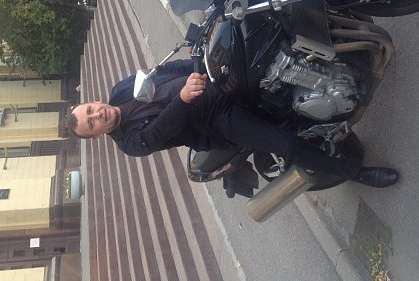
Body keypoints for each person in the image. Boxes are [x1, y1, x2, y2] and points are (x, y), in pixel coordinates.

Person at [69, 59, 398, 187]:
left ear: (92, 101)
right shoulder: (129, 143)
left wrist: (200, 59)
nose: (98, 114)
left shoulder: (119, 90)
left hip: (213, 80)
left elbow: (162, 71)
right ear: (96, 136)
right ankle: (353, 172)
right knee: (286, 145)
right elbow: (161, 130)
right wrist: (183, 98)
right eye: (91, 123)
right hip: (215, 119)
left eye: (91, 110)